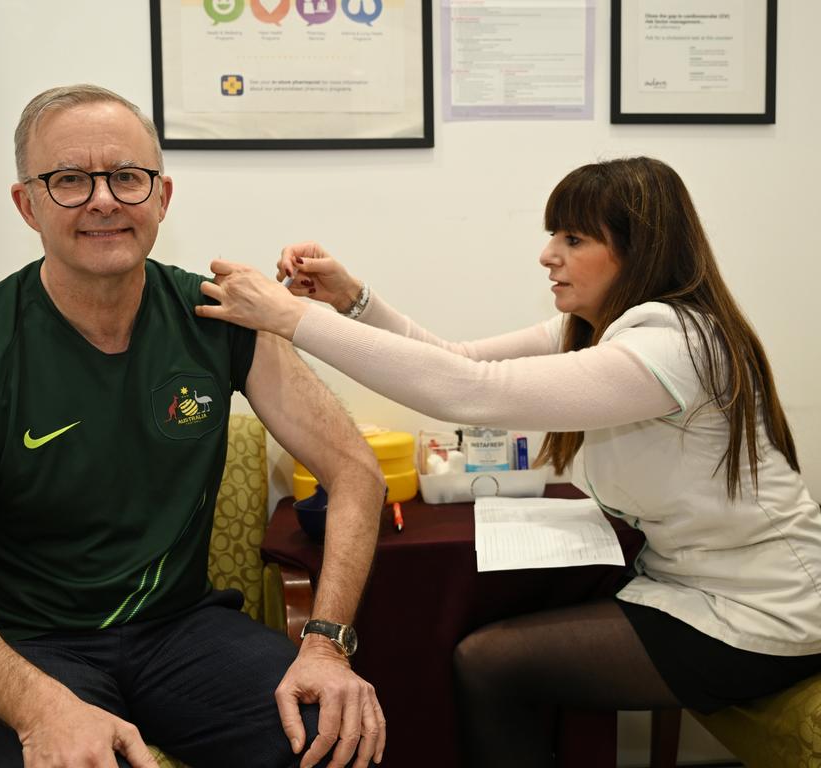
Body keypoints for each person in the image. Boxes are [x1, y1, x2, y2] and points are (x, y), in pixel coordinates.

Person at [197, 156, 821, 766]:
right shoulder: (596, 328)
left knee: (490, 663)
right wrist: (350, 299)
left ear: (640, 250)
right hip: (685, 588)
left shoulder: (676, 343)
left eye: (573, 238)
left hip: (761, 611)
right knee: (491, 634)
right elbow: (455, 359)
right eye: (554, 235)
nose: (549, 254)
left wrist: (291, 317)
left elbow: (472, 392)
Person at [0, 84, 388, 768]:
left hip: (180, 633)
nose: (103, 199)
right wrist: (41, 708)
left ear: (162, 197)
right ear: (26, 204)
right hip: (20, 643)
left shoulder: (218, 316)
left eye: (127, 177)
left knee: (331, 737)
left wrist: (326, 642)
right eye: (69, 180)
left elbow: (354, 468)